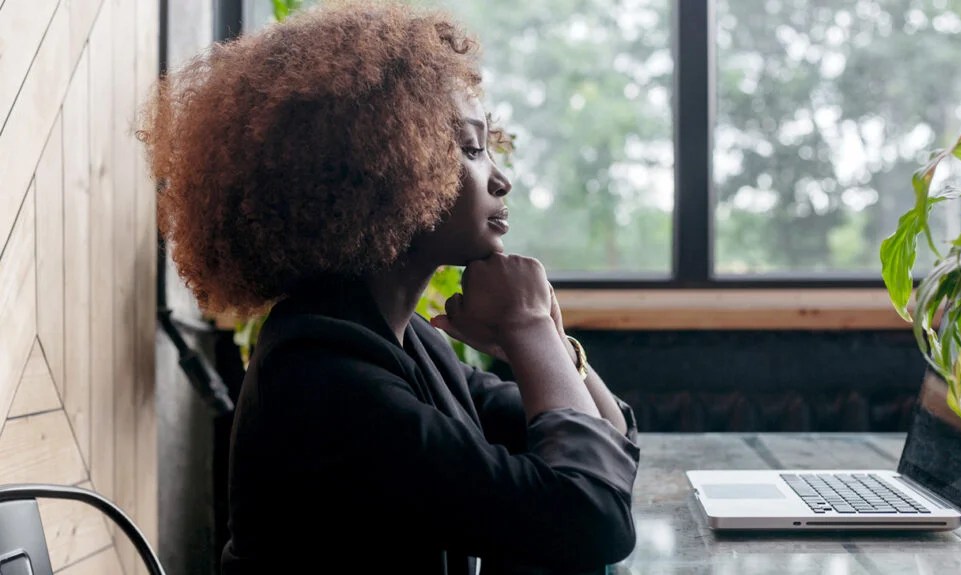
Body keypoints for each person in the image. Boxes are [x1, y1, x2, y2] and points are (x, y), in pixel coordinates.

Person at [139, 1, 640, 573]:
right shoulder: (323, 376)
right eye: (472, 150)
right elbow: (591, 521)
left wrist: (547, 341)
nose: (502, 179)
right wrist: (527, 329)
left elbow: (608, 440)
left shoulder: (401, 341)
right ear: (386, 171)